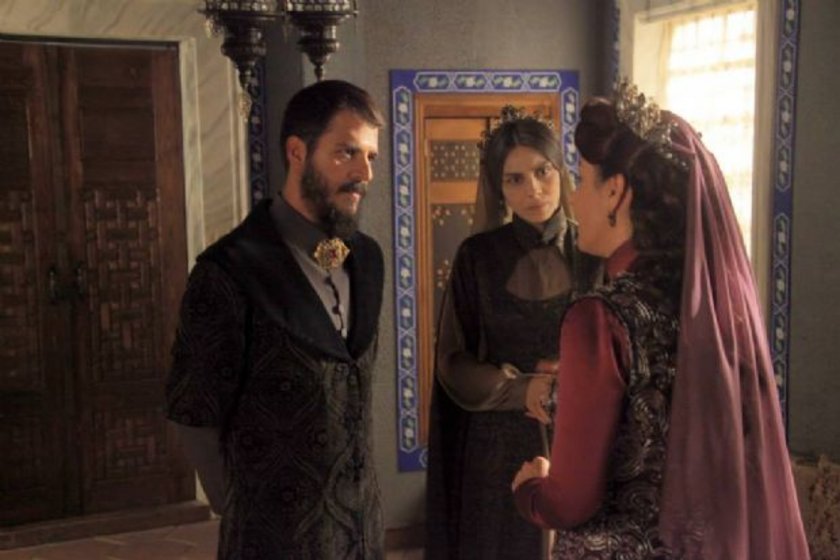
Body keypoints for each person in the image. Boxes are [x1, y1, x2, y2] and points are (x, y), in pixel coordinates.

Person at [512, 80, 809, 559]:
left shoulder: (599, 319)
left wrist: (531, 489)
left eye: (582, 181)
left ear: (615, 192)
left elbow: (569, 502)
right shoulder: (716, 310)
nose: (574, 198)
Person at [165, 80, 386, 559]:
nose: (364, 172)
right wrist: (245, 510)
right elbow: (193, 412)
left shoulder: (369, 259)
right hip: (272, 541)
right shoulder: (228, 271)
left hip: (361, 534)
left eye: (371, 156)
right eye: (347, 152)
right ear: (296, 152)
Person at [426, 106, 599, 559]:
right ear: (498, 188)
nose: (533, 190)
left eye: (542, 172)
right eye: (515, 179)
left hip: (579, 436)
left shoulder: (593, 253)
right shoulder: (476, 257)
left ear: (561, 170)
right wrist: (522, 390)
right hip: (498, 446)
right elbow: (452, 361)